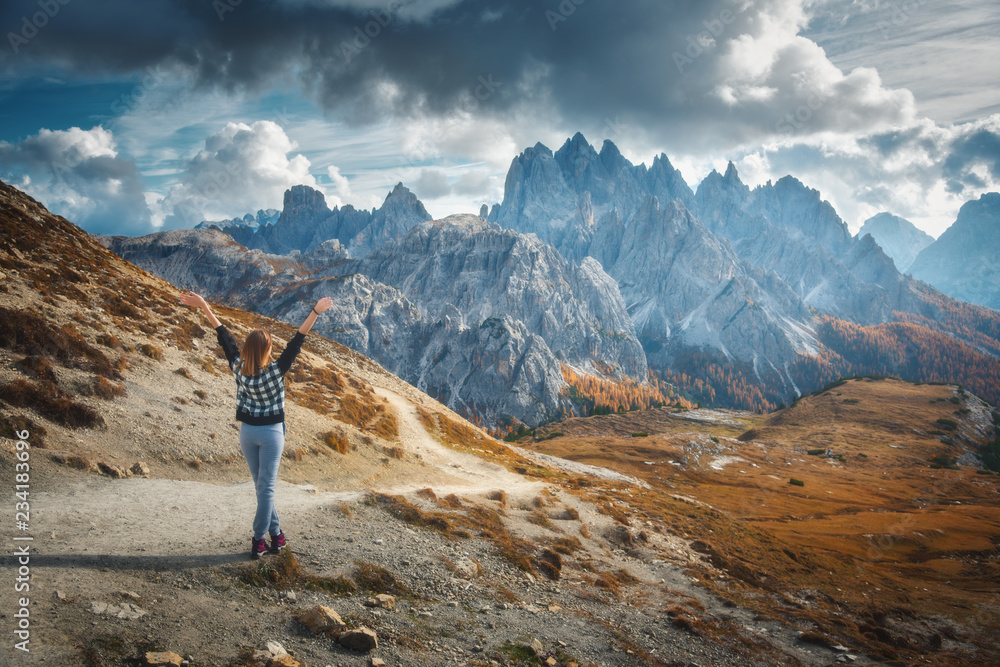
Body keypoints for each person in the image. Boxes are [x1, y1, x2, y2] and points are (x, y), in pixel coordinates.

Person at [179, 291, 334, 559]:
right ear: (267, 350)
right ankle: (258, 540)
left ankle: (277, 537)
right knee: (267, 489)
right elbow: (298, 340)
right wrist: (315, 312)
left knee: (262, 489)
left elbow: (223, 336)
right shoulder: (276, 370)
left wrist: (204, 305)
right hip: (273, 434)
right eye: (271, 347)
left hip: (247, 433)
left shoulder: (238, 367)